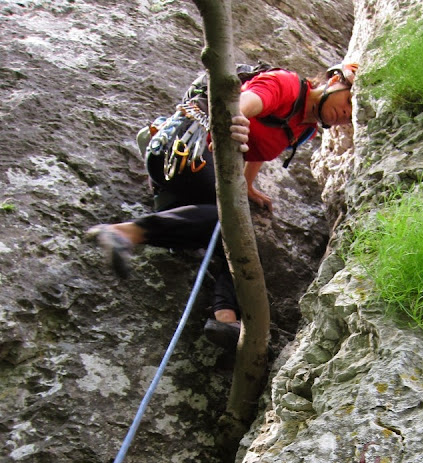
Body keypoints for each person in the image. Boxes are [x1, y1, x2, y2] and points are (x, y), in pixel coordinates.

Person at [87, 62, 357, 349]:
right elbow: (246, 103)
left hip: (198, 171)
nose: (346, 114)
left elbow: (259, 151)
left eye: (352, 116)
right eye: (349, 101)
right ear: (334, 80)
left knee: (234, 237)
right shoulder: (287, 85)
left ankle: (225, 319)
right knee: (231, 224)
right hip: (185, 150)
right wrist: (235, 119)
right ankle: (126, 232)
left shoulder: (305, 130)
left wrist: (247, 185)